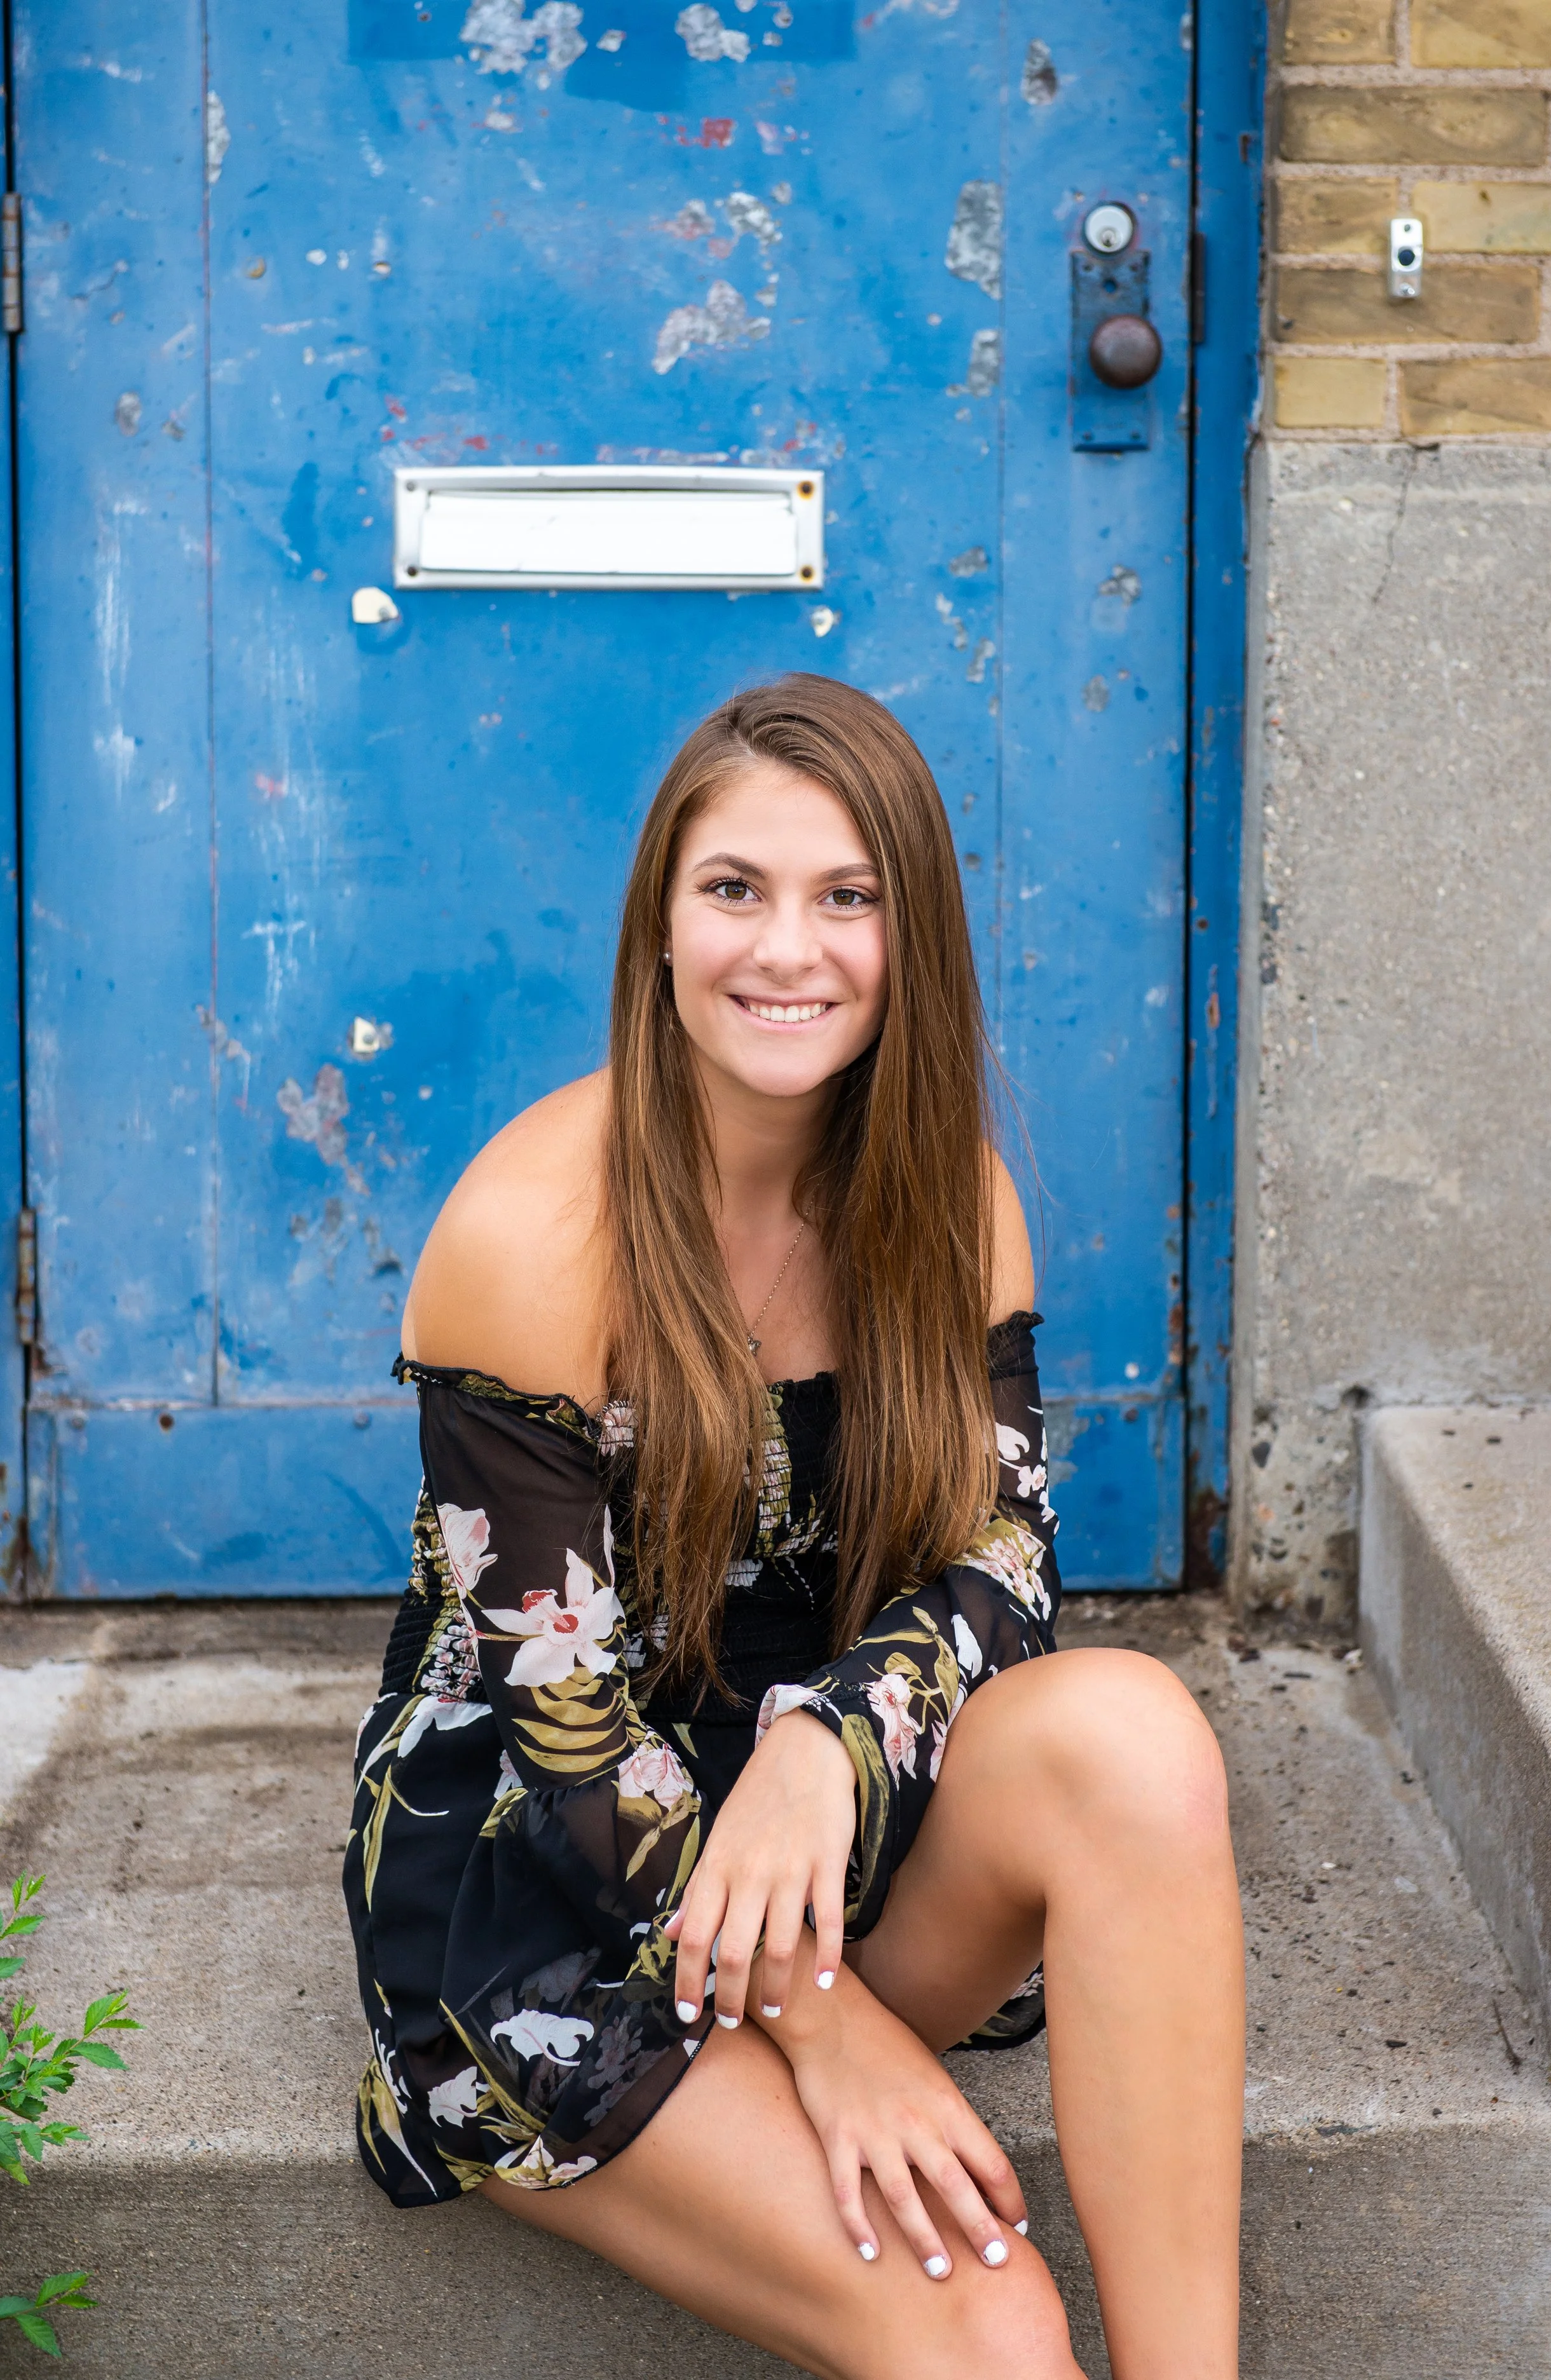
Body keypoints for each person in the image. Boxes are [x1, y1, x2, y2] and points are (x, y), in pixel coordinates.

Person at [344, 675, 1244, 2380]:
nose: (788, 950)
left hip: (812, 1851)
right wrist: (828, 2034)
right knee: (989, 2331)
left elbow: (1002, 1572)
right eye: (735, 890)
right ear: (660, 928)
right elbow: (566, 1748)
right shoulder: (532, 1233)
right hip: (563, 1901)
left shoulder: (937, 1194)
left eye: (847, 898)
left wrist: (824, 1751)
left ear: (909, 938)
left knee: (1126, 1731)